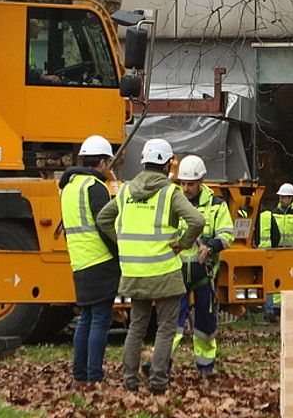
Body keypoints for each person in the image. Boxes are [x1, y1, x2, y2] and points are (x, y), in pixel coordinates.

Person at [97, 138, 205, 395]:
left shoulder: (124, 191)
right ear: (168, 164)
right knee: (166, 328)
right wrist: (184, 243)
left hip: (134, 272)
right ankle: (158, 381)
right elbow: (197, 220)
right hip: (164, 272)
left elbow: (103, 218)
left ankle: (129, 380)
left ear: (144, 161)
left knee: (136, 326)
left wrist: (122, 242)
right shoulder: (169, 192)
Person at [59, 135, 120, 386]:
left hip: (80, 261)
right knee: (100, 320)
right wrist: (119, 253)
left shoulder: (68, 187)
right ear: (103, 162)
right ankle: (95, 375)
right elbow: (106, 226)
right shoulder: (95, 188)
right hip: (100, 260)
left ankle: (80, 375)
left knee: (85, 319)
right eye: (109, 163)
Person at [171, 155, 236, 382]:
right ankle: (162, 364)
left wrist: (210, 246)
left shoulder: (217, 205)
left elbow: (228, 234)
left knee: (205, 324)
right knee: (171, 323)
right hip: (176, 273)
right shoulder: (174, 202)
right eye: (183, 183)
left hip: (204, 275)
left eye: (190, 184)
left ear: (201, 181)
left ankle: (205, 368)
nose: (186, 188)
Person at [256, 183, 293, 320]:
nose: (281, 200)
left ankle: (290, 307)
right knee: (276, 279)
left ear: (291, 198)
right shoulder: (274, 213)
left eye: (284, 197)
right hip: (278, 252)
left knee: (292, 280)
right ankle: (275, 309)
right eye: (280, 197)